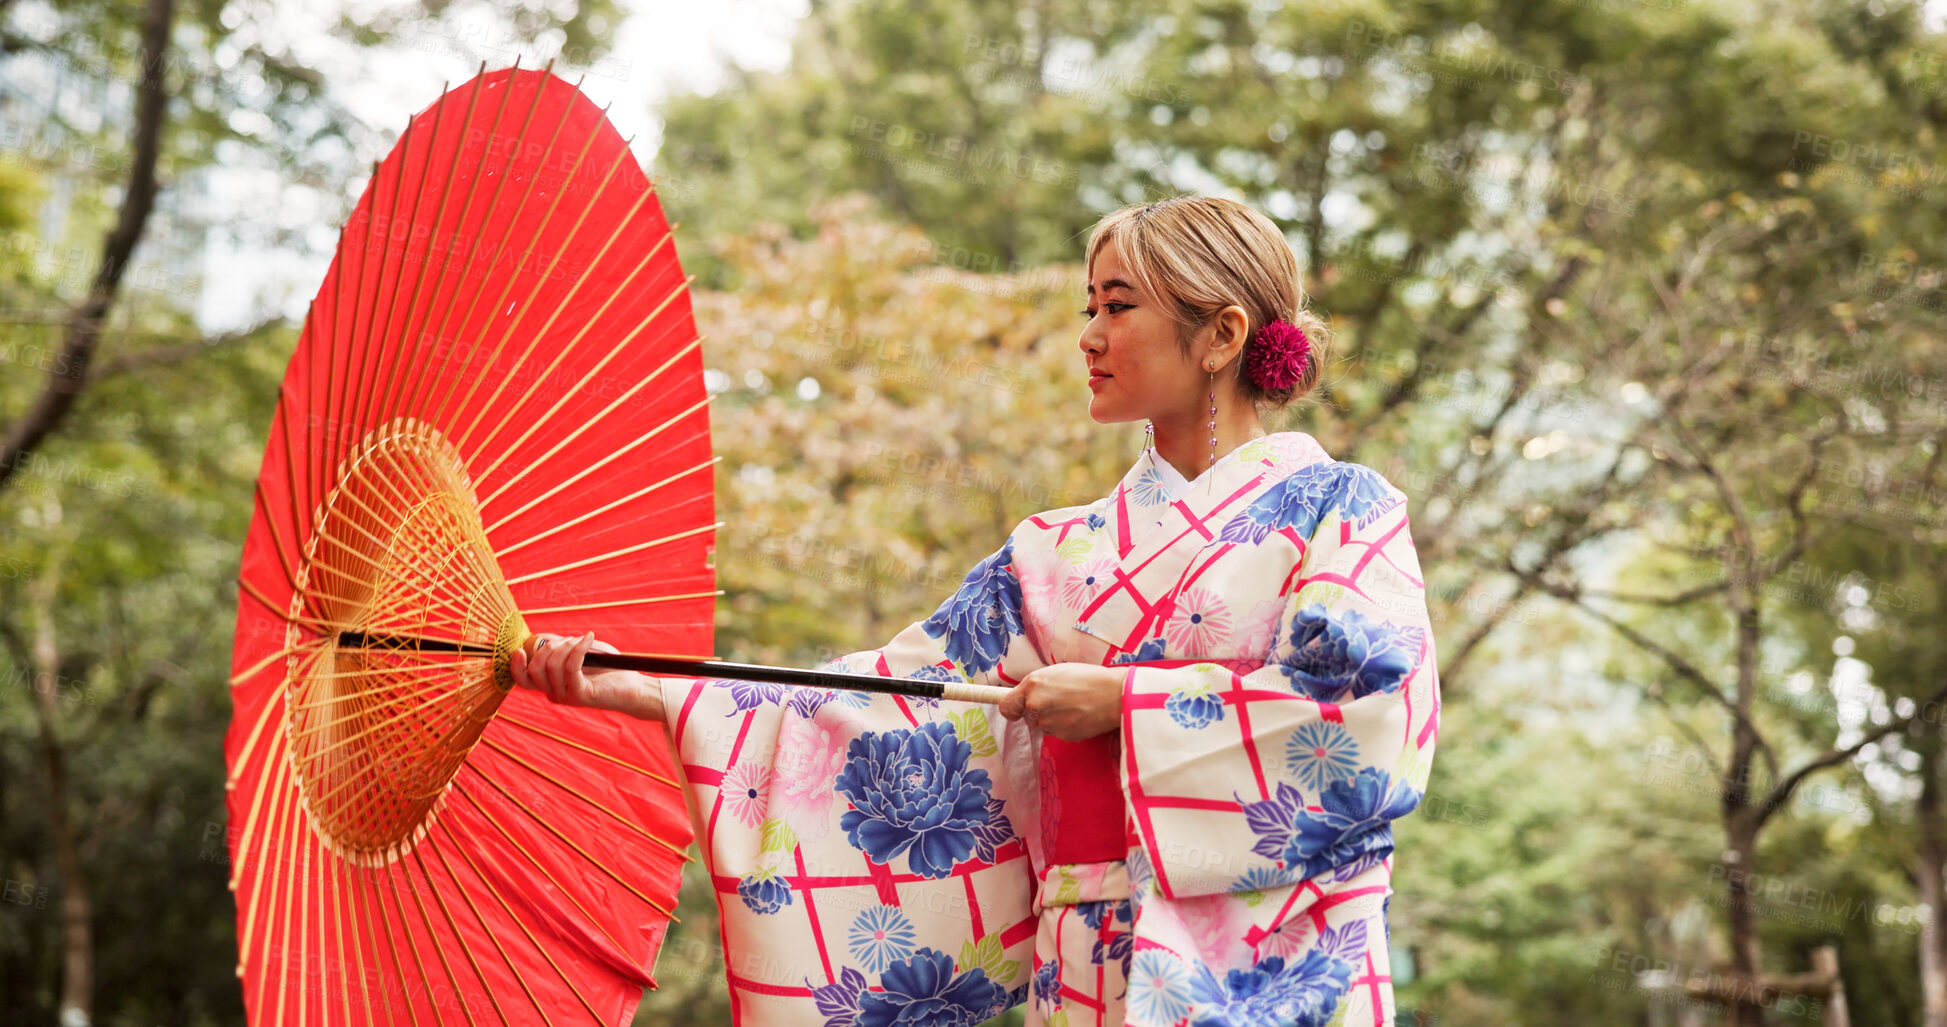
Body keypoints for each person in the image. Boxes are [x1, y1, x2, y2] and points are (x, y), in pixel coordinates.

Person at [511, 195, 1440, 1027]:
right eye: (1090, 307)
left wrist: (1123, 706)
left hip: (1283, 953)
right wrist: (647, 688)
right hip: (1089, 954)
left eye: (1117, 306)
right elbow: (894, 699)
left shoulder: (1339, 508)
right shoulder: (1053, 550)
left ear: (1220, 333)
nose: (1088, 333)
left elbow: (1367, 714)